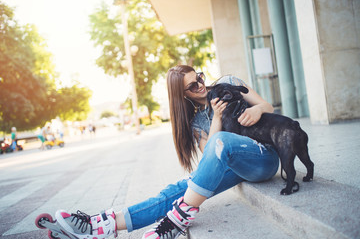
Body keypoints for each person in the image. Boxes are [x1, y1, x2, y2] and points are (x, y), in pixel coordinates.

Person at [48, 65, 279, 239]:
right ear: (184, 95)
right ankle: (102, 225)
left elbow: (268, 106)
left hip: (264, 157)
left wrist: (257, 110)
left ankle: (177, 220)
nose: (200, 85)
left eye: (198, 77)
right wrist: (216, 117)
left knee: (223, 143)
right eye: (192, 86)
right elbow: (210, 153)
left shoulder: (229, 82)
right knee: (176, 190)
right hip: (236, 167)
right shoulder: (198, 122)